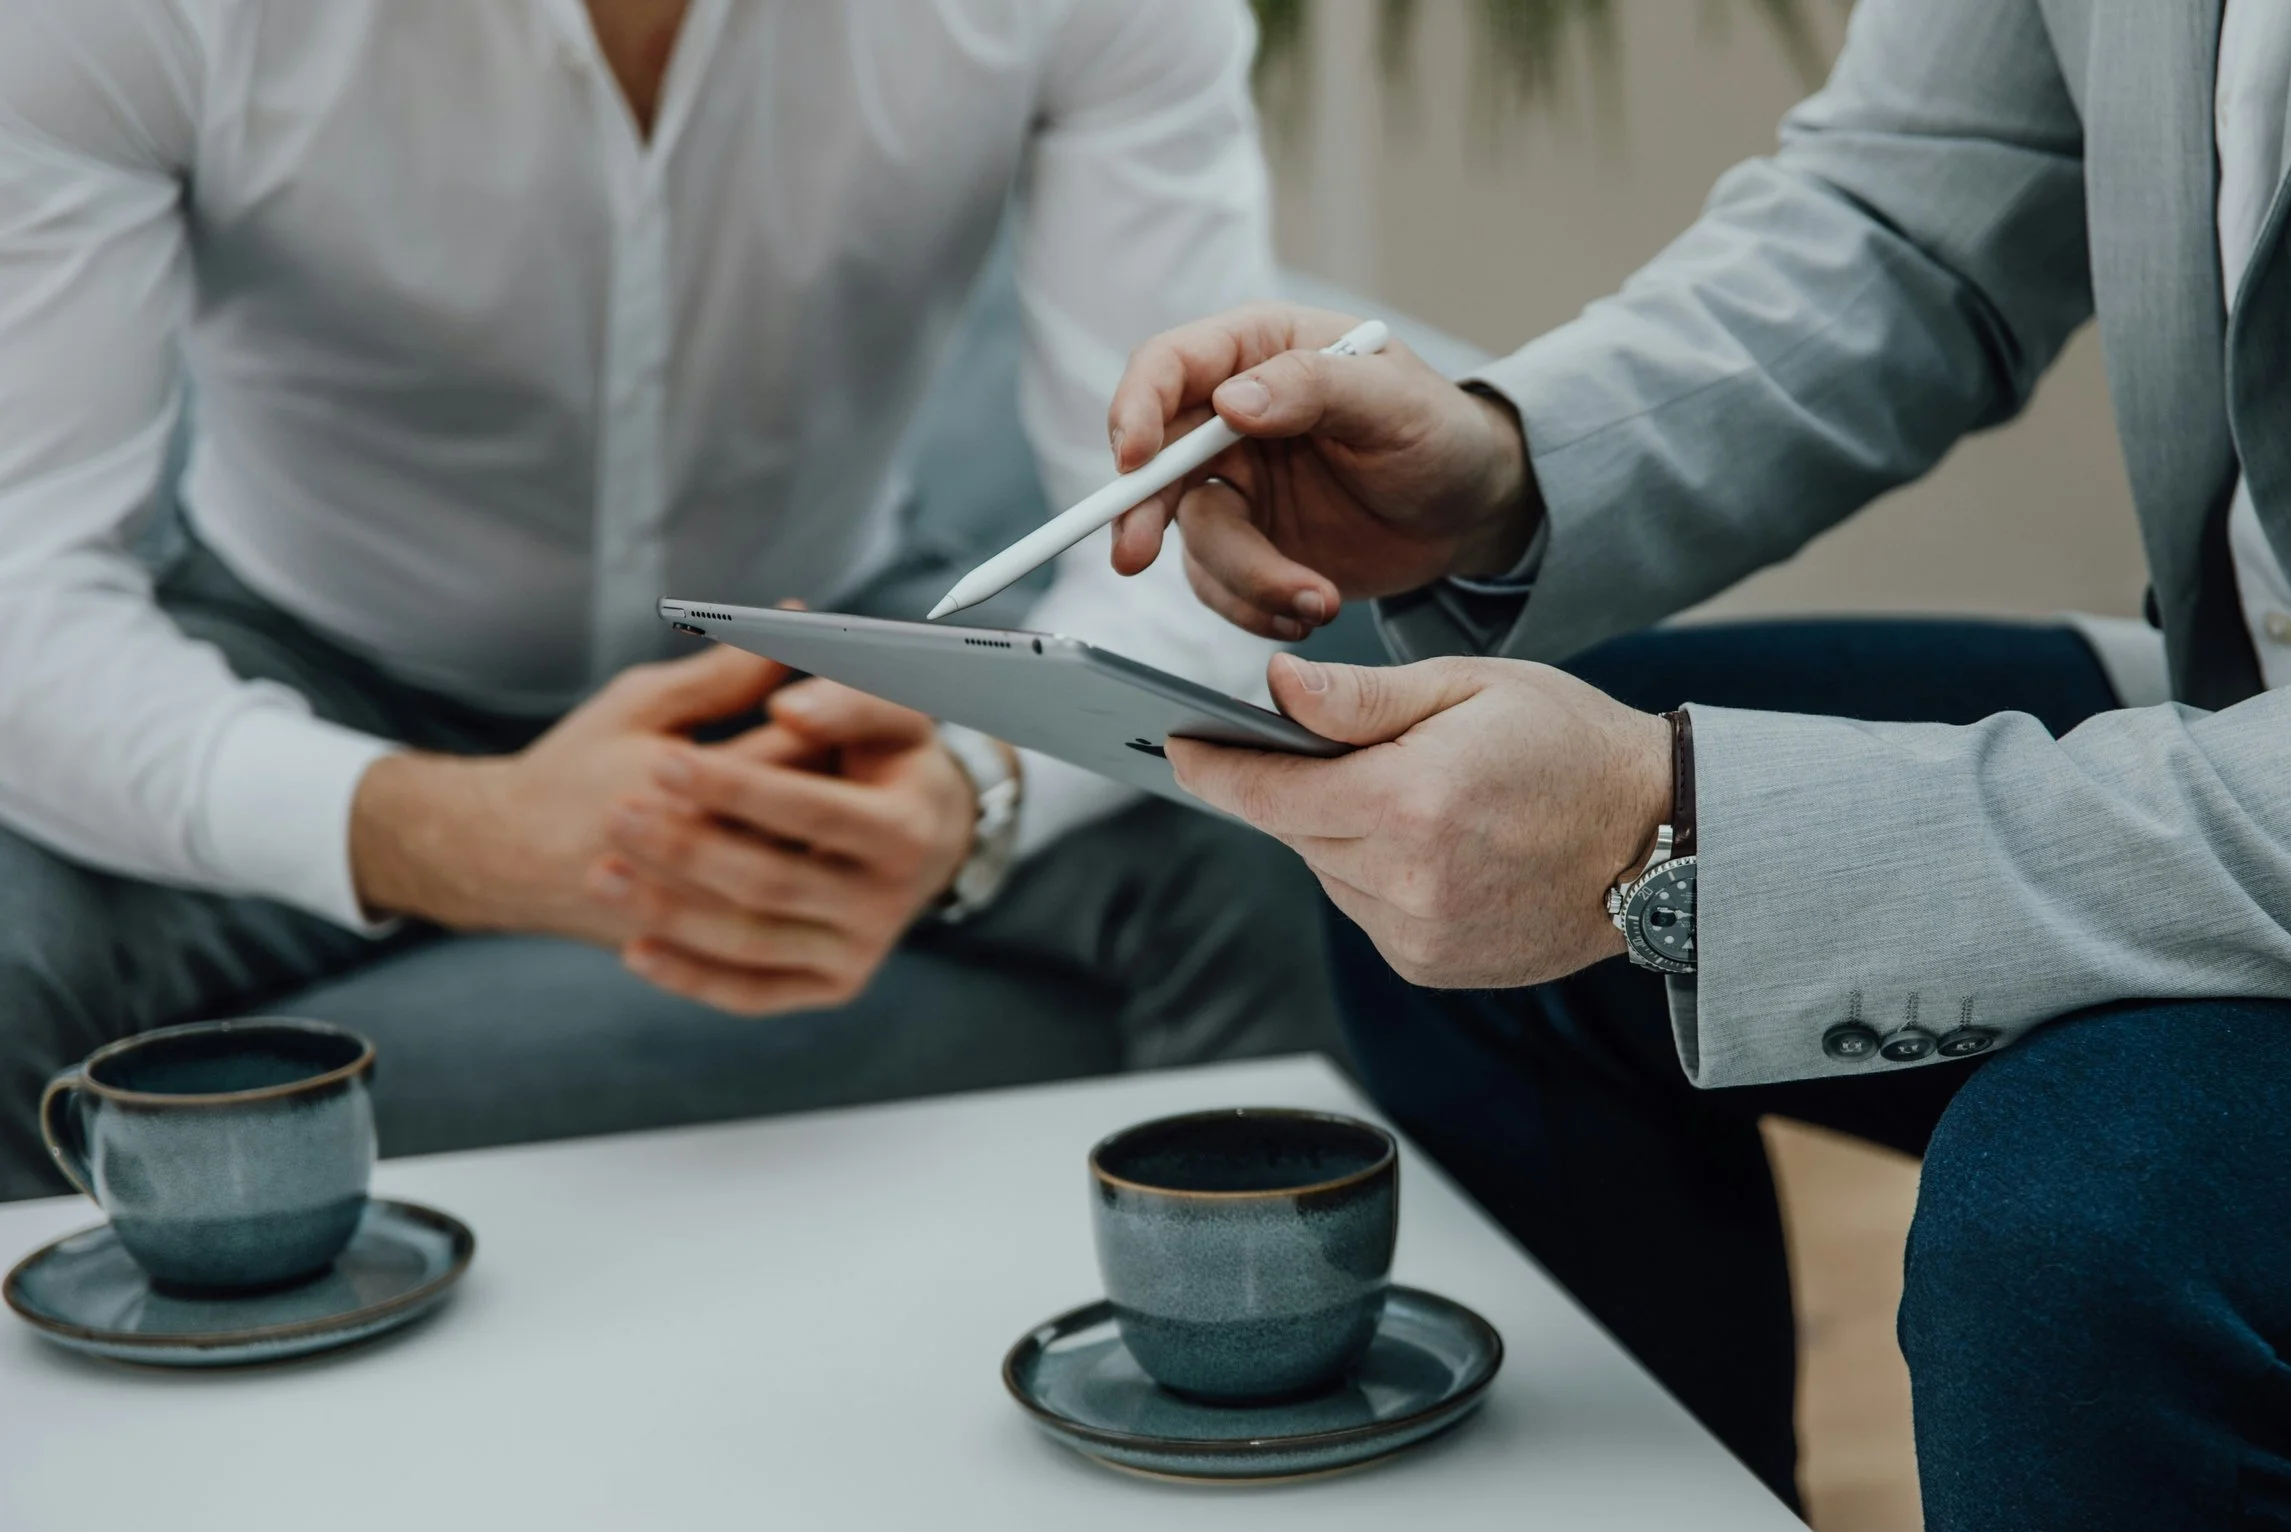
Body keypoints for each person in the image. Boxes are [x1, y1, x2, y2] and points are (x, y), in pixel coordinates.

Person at [1102, 1, 2291, 1532]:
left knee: (2095, 1239)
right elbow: (1912, 220)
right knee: (1456, 902)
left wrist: (1678, 834)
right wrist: (1500, 472)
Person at [0, 0, 1339, 1203]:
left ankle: (1245, 1404)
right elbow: (23, 587)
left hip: (830, 658)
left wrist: (969, 785)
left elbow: (1202, 541)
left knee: (1251, 833)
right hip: (310, 659)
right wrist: (437, 829)